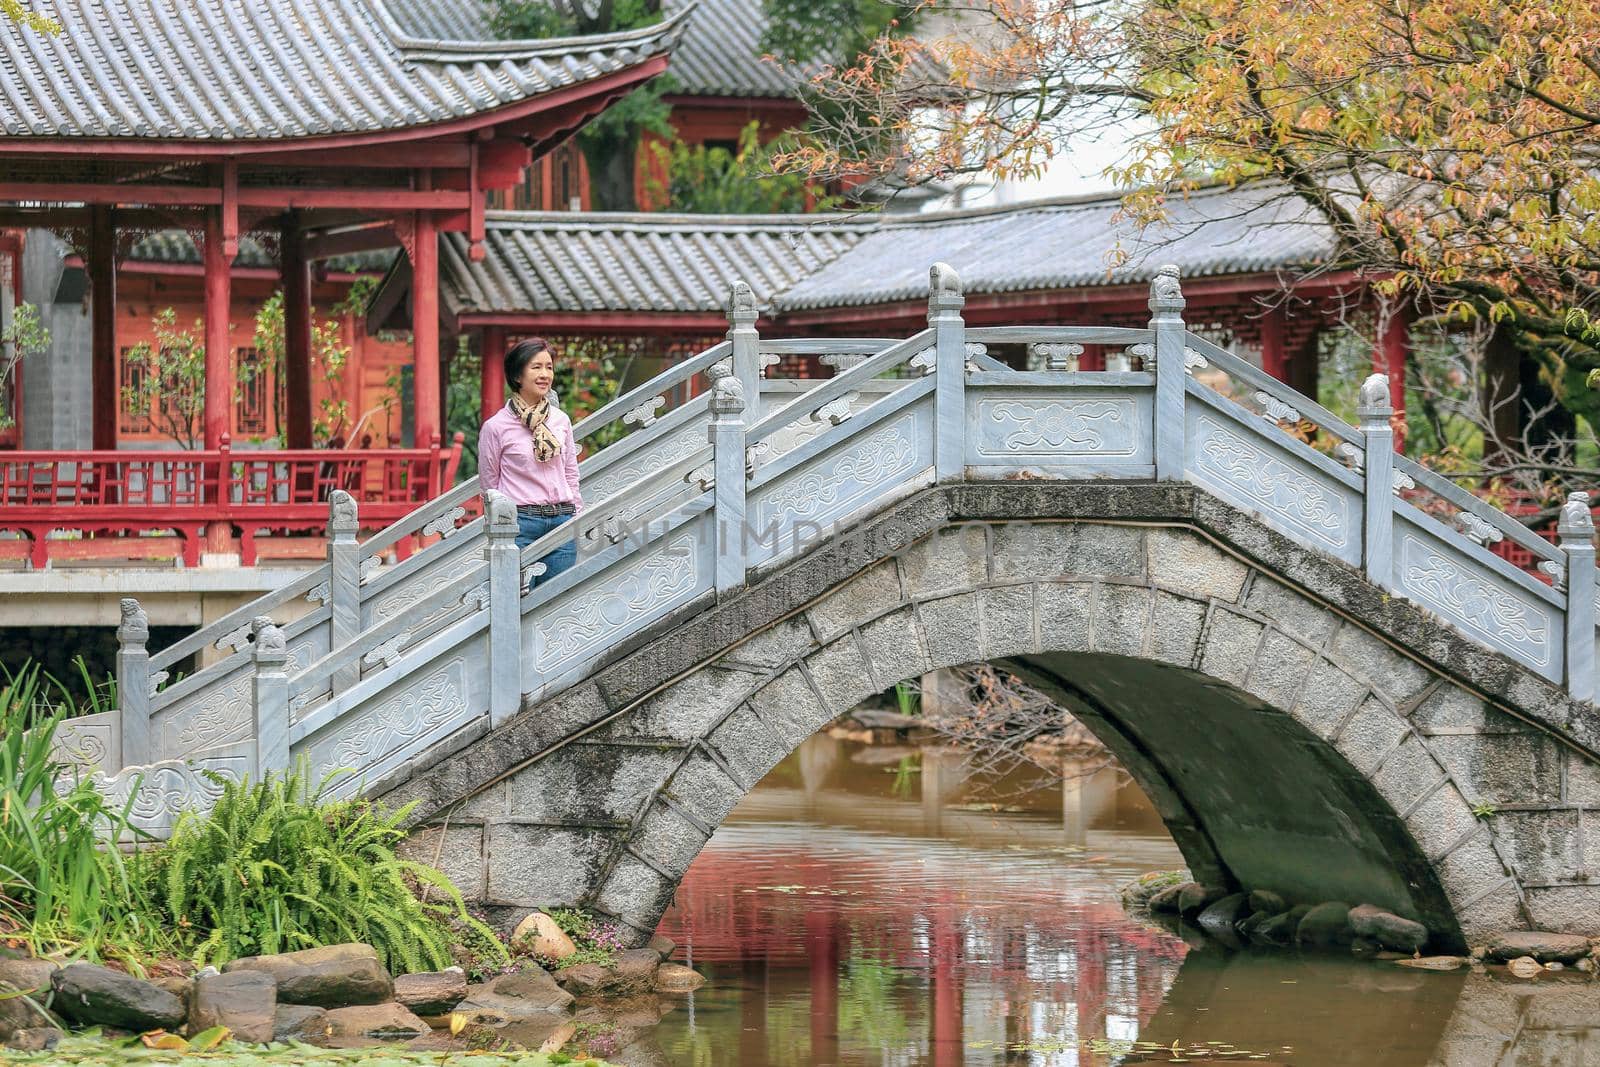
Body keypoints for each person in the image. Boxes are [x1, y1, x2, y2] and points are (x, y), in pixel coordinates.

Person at [478, 338, 583, 585]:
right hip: (520, 525)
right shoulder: (496, 427)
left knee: (557, 601)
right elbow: (490, 483)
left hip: (562, 520)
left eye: (549, 367)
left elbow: (570, 471)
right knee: (516, 600)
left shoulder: (560, 421)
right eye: (536, 367)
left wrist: (576, 514)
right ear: (517, 375)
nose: (545, 374)